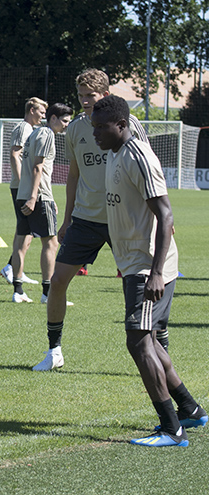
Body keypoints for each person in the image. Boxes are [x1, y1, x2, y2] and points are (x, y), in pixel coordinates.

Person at [92, 95, 206, 446]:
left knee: (138, 341)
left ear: (122, 126)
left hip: (148, 266)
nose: (95, 133)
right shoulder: (114, 153)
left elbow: (166, 214)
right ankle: (190, 409)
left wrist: (155, 272)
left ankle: (172, 428)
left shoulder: (138, 156)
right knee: (150, 341)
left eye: (101, 127)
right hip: (134, 264)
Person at [32, 69, 149, 371]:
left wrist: (157, 216)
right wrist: (68, 217)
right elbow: (74, 175)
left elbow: (148, 170)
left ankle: (157, 350)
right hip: (86, 218)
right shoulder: (75, 130)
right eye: (81, 95)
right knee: (57, 281)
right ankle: (54, 350)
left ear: (105, 95)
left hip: (124, 218)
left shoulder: (129, 124)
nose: (84, 102)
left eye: (90, 96)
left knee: (138, 288)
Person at [12, 103, 73, 303]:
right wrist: (34, 197)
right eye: (64, 121)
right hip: (37, 197)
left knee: (21, 242)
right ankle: (48, 293)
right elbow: (38, 167)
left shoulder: (35, 133)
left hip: (24, 193)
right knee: (50, 243)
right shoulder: (47, 135)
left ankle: (18, 291)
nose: (66, 125)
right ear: (53, 118)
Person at [0, 98, 47, 286]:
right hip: (21, 188)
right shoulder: (23, 128)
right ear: (32, 109)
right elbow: (14, 154)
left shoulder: (31, 129)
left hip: (24, 188)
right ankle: (11, 269)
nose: (43, 116)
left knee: (28, 230)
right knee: (24, 229)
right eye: (41, 112)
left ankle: (16, 268)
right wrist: (22, 184)